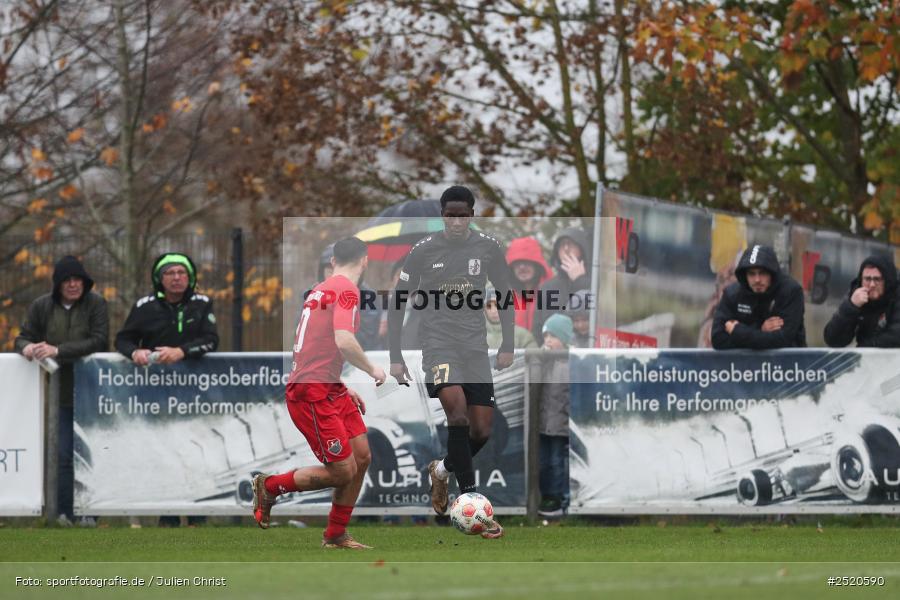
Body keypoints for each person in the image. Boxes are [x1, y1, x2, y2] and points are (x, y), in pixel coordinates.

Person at [388, 185, 513, 539]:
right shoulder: (423, 251)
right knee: (456, 415)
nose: (456, 221)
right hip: (438, 345)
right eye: (449, 215)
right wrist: (396, 357)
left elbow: (505, 295)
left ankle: (441, 470)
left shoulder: (488, 248)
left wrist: (508, 343)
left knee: (482, 431)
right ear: (442, 216)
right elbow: (398, 302)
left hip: (475, 347)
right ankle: (469, 499)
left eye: (462, 215)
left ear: (471, 215)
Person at [251, 237, 386, 549]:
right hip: (311, 391)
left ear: (334, 260)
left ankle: (336, 534)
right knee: (343, 471)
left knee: (362, 457)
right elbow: (343, 340)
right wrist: (372, 370)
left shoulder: (321, 288)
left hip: (327, 386)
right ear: (365, 261)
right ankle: (270, 486)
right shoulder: (347, 290)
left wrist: (339, 384)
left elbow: (317, 345)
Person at [115, 252, 219, 527]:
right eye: (170, 274)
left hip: (195, 393)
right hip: (155, 395)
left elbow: (211, 341)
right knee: (165, 451)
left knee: (196, 450)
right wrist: (134, 352)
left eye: (181, 273)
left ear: (190, 277)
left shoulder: (203, 303)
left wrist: (181, 351)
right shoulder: (144, 306)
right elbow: (122, 340)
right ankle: (168, 514)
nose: (176, 278)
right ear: (160, 279)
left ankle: (198, 515)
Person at [15, 255, 109, 527]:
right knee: (63, 454)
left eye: (77, 279)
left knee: (91, 454)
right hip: (59, 395)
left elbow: (99, 340)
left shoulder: (97, 303)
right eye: (67, 280)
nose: (72, 285)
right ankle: (63, 513)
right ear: (57, 284)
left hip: (93, 393)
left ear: (85, 282)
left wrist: (59, 351)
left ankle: (89, 513)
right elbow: (23, 336)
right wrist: (27, 348)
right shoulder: (41, 306)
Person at [711, 244, 806, 349]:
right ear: (744, 275)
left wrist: (738, 331)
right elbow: (718, 340)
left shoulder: (791, 292)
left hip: (788, 364)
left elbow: (782, 340)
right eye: (751, 274)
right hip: (741, 365)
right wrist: (760, 331)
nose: (757, 280)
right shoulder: (732, 294)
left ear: (772, 273)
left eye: (762, 273)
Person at [537, 314, 572, 518]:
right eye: (546, 336)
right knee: (545, 462)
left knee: (558, 462)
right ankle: (548, 498)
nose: (548, 340)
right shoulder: (542, 361)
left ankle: (560, 500)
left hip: (561, 425)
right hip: (544, 425)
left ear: (565, 339)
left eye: (553, 336)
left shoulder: (572, 363)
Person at [824, 255, 900, 348]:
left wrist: (864, 348)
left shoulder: (896, 293)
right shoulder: (856, 292)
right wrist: (851, 306)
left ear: (887, 280)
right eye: (867, 279)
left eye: (877, 279)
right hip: (865, 358)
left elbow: (896, 336)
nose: (872, 285)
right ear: (861, 279)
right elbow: (833, 340)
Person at [317, 244, 381, 350]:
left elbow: (366, 337)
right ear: (321, 273)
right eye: (330, 271)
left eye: (341, 270)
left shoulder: (367, 297)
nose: (336, 276)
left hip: (355, 359)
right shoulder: (313, 293)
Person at [532, 227, 591, 342]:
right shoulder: (547, 287)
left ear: (582, 248)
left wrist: (580, 281)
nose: (566, 249)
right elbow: (539, 327)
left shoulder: (596, 280)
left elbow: (600, 317)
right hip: (555, 354)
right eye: (562, 245)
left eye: (571, 244)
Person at [505, 237, 552, 333]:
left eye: (526, 262)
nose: (522, 267)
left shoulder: (550, 294)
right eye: (517, 263)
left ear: (537, 265)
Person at [484, 285, 537, 350]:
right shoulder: (475, 337)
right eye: (489, 306)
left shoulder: (523, 336)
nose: (494, 311)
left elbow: (534, 358)